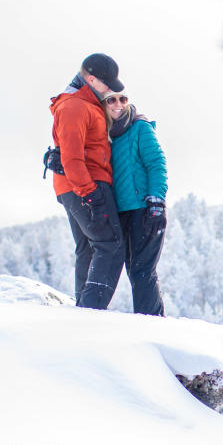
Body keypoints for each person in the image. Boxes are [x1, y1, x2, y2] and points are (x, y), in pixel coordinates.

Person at [50, 53, 126, 310]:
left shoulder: (86, 103)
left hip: (77, 186)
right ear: (91, 79)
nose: (110, 90)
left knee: (90, 249)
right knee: (111, 247)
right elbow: (71, 157)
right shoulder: (75, 106)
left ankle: (84, 309)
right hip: (86, 185)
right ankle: (91, 311)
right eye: (107, 84)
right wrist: (91, 194)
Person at [105, 90, 168, 315]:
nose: (119, 104)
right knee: (133, 271)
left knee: (143, 271)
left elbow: (156, 163)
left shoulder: (140, 127)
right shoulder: (107, 138)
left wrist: (156, 202)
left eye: (123, 99)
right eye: (111, 99)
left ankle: (153, 324)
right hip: (122, 213)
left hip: (145, 209)